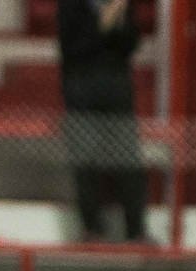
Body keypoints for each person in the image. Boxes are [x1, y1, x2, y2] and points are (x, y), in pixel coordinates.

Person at [57, 0, 147, 242]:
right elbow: (72, 48)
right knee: (85, 163)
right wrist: (103, 24)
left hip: (117, 93)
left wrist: (117, 23)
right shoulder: (71, 6)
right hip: (82, 93)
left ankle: (136, 231)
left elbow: (131, 44)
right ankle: (92, 229)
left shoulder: (120, 5)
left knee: (128, 162)